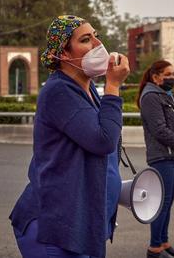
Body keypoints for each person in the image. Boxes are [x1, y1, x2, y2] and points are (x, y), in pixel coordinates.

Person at [9, 15, 130, 258]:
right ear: (63, 54)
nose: (98, 45)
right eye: (86, 39)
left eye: (97, 36)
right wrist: (113, 87)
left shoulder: (88, 91)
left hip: (81, 227)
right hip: (54, 230)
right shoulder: (59, 91)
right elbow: (103, 141)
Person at [137, 60, 174, 258]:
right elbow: (159, 130)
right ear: (156, 77)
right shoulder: (151, 96)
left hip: (172, 155)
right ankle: (154, 248)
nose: (173, 77)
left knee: (167, 202)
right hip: (162, 156)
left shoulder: (166, 94)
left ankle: (163, 242)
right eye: (168, 74)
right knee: (161, 202)